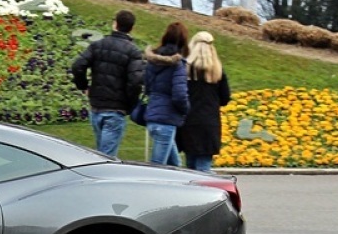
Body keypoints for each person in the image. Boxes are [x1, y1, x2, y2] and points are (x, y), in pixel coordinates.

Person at [71, 10, 145, 157]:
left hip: (97, 105)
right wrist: (131, 105)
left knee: (101, 154)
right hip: (116, 109)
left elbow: (77, 66)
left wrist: (84, 86)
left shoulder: (98, 45)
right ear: (132, 28)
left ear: (115, 24)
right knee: (106, 157)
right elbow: (135, 82)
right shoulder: (133, 52)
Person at [178, 31, 232, 172]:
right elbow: (225, 98)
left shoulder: (185, 69)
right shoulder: (218, 71)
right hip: (209, 122)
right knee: (204, 167)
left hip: (188, 121)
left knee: (190, 166)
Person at [143, 22, 191, 167]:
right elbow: (179, 95)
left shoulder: (152, 61)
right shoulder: (178, 65)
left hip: (153, 117)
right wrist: (185, 110)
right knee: (157, 168)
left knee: (175, 165)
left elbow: (147, 86)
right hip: (166, 120)